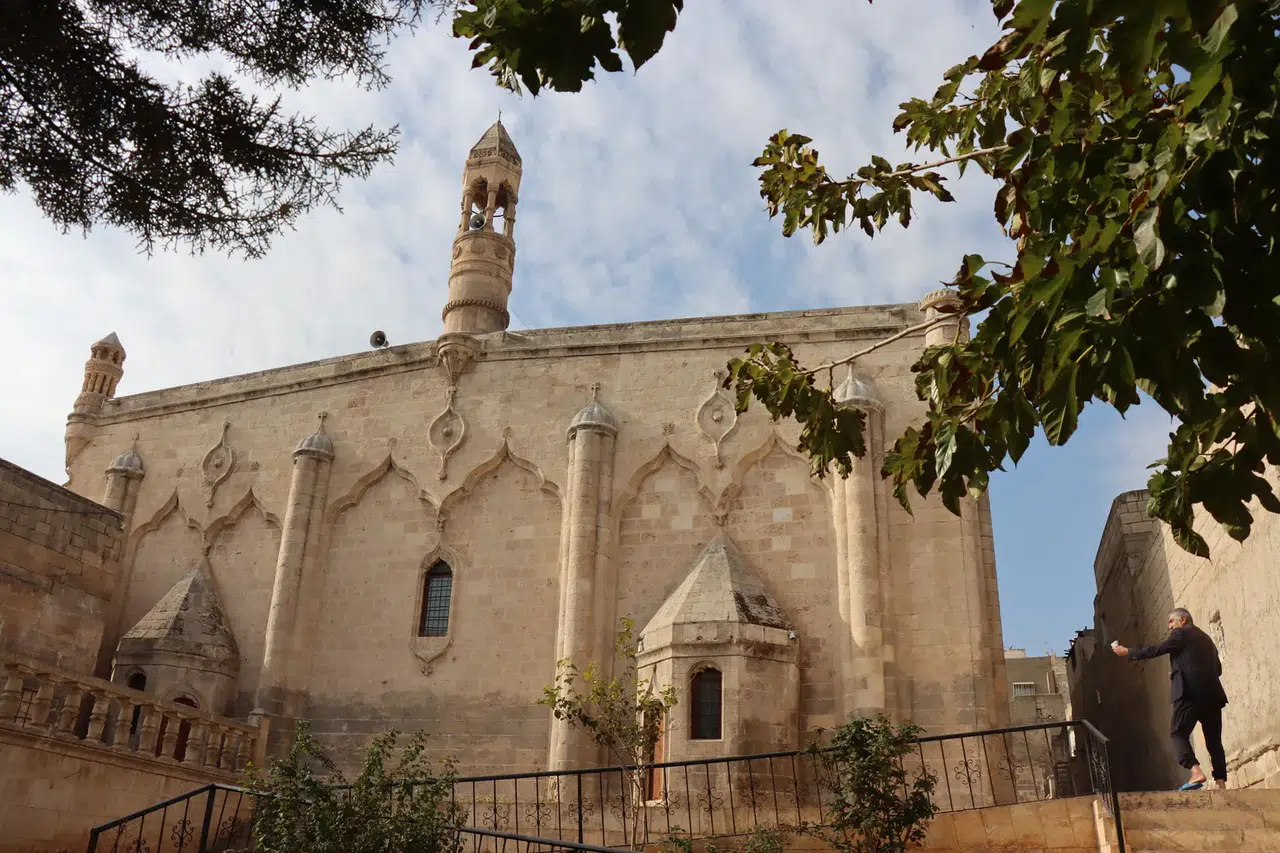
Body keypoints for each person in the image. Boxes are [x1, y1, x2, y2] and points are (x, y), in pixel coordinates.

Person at [1112, 607, 1229, 790]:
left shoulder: (1180, 634)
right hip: (1213, 696)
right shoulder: (1207, 639)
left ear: (1183, 620)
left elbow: (1158, 649)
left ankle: (1196, 771)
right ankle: (1220, 782)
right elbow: (1218, 669)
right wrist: (1182, 671)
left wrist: (1128, 652)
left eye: (1171, 621)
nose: (1170, 626)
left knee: (1178, 733)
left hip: (1189, 693)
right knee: (1214, 741)